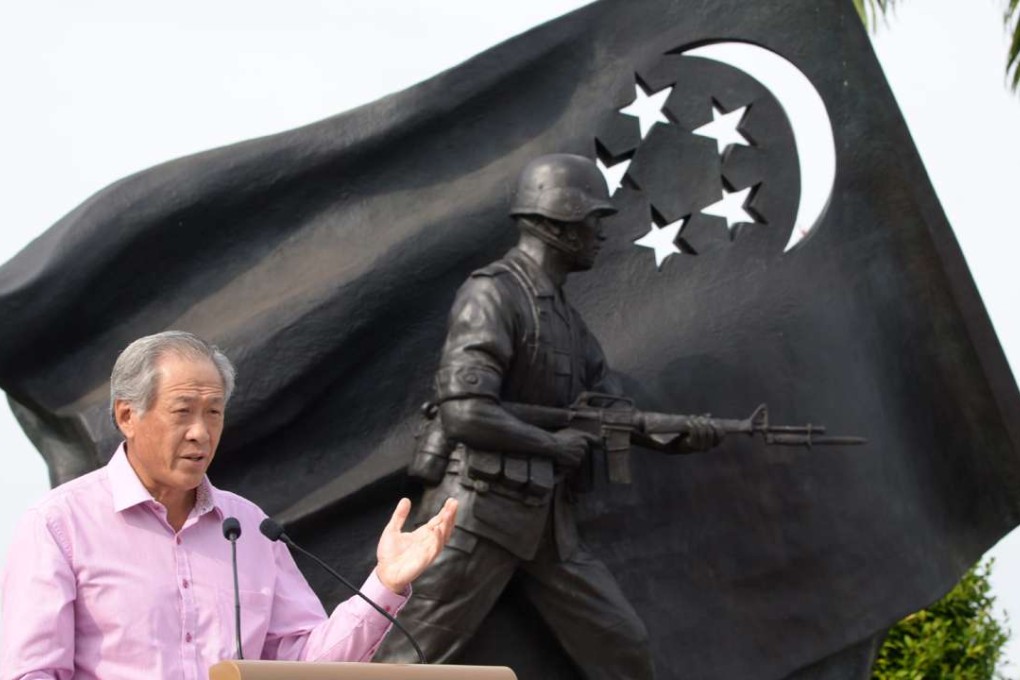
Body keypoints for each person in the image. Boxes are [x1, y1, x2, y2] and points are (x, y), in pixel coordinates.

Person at [375, 154, 720, 678]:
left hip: (545, 524)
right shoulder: (493, 292)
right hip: (474, 515)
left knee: (622, 646)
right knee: (407, 653)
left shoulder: (565, 318)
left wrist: (679, 433)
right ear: (557, 223)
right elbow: (466, 412)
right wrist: (554, 446)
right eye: (592, 221)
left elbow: (609, 412)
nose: (600, 235)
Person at [0, 331, 457, 680]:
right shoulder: (60, 524)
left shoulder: (250, 527)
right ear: (127, 416)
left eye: (214, 412)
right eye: (183, 411)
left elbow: (305, 667)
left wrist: (384, 584)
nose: (201, 432)